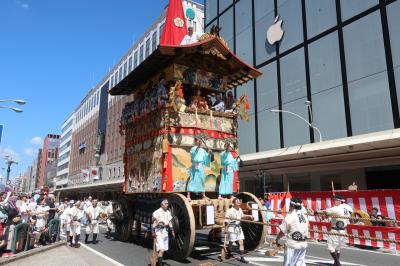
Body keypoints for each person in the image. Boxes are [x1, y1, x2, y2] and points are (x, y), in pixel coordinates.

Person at [315, 195, 353, 266]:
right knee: (338, 248)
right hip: (343, 230)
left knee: (330, 247)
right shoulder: (348, 207)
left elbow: (326, 211)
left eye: (335, 200)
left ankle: (337, 263)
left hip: (335, 230)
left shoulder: (336, 208)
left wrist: (316, 212)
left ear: (339, 201)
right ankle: (336, 263)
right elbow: (351, 212)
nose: (334, 202)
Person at [275, 197, 309, 266]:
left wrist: (277, 239)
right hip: (303, 244)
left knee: (289, 264)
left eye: (289, 205)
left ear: (293, 206)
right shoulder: (304, 216)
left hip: (292, 245)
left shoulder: (290, 216)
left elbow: (282, 231)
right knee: (300, 264)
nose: (289, 207)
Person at [224, 198, 254, 263]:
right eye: (237, 202)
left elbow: (242, 216)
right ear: (233, 203)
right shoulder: (229, 210)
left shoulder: (240, 209)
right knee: (231, 242)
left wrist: (248, 216)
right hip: (232, 228)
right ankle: (228, 250)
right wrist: (226, 229)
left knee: (241, 242)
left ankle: (242, 258)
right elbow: (226, 220)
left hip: (238, 228)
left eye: (239, 202)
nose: (239, 203)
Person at [187, 135, 212, 201]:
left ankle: (203, 195)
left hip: (201, 167)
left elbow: (206, 159)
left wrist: (209, 153)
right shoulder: (193, 148)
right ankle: (188, 195)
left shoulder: (203, 150)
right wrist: (198, 146)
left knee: (202, 179)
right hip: (195, 166)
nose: (199, 142)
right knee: (192, 179)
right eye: (198, 140)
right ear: (195, 141)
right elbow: (193, 154)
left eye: (200, 141)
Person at [152, 199, 175, 266]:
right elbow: (154, 222)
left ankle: (158, 260)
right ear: (161, 205)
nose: (167, 205)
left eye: (167, 203)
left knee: (163, 249)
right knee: (162, 249)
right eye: (165, 204)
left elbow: (170, 222)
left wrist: (172, 231)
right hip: (158, 232)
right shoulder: (157, 212)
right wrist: (153, 232)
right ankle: (160, 264)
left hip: (165, 232)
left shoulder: (168, 212)